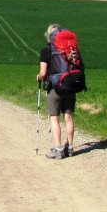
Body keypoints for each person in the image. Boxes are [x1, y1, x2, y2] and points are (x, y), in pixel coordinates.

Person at [37, 23, 76, 159]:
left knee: (55, 119)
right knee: (68, 117)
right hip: (71, 85)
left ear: (48, 36)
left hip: (56, 88)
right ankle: (70, 147)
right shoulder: (70, 49)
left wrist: (39, 77)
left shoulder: (46, 50)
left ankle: (58, 149)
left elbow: (43, 73)